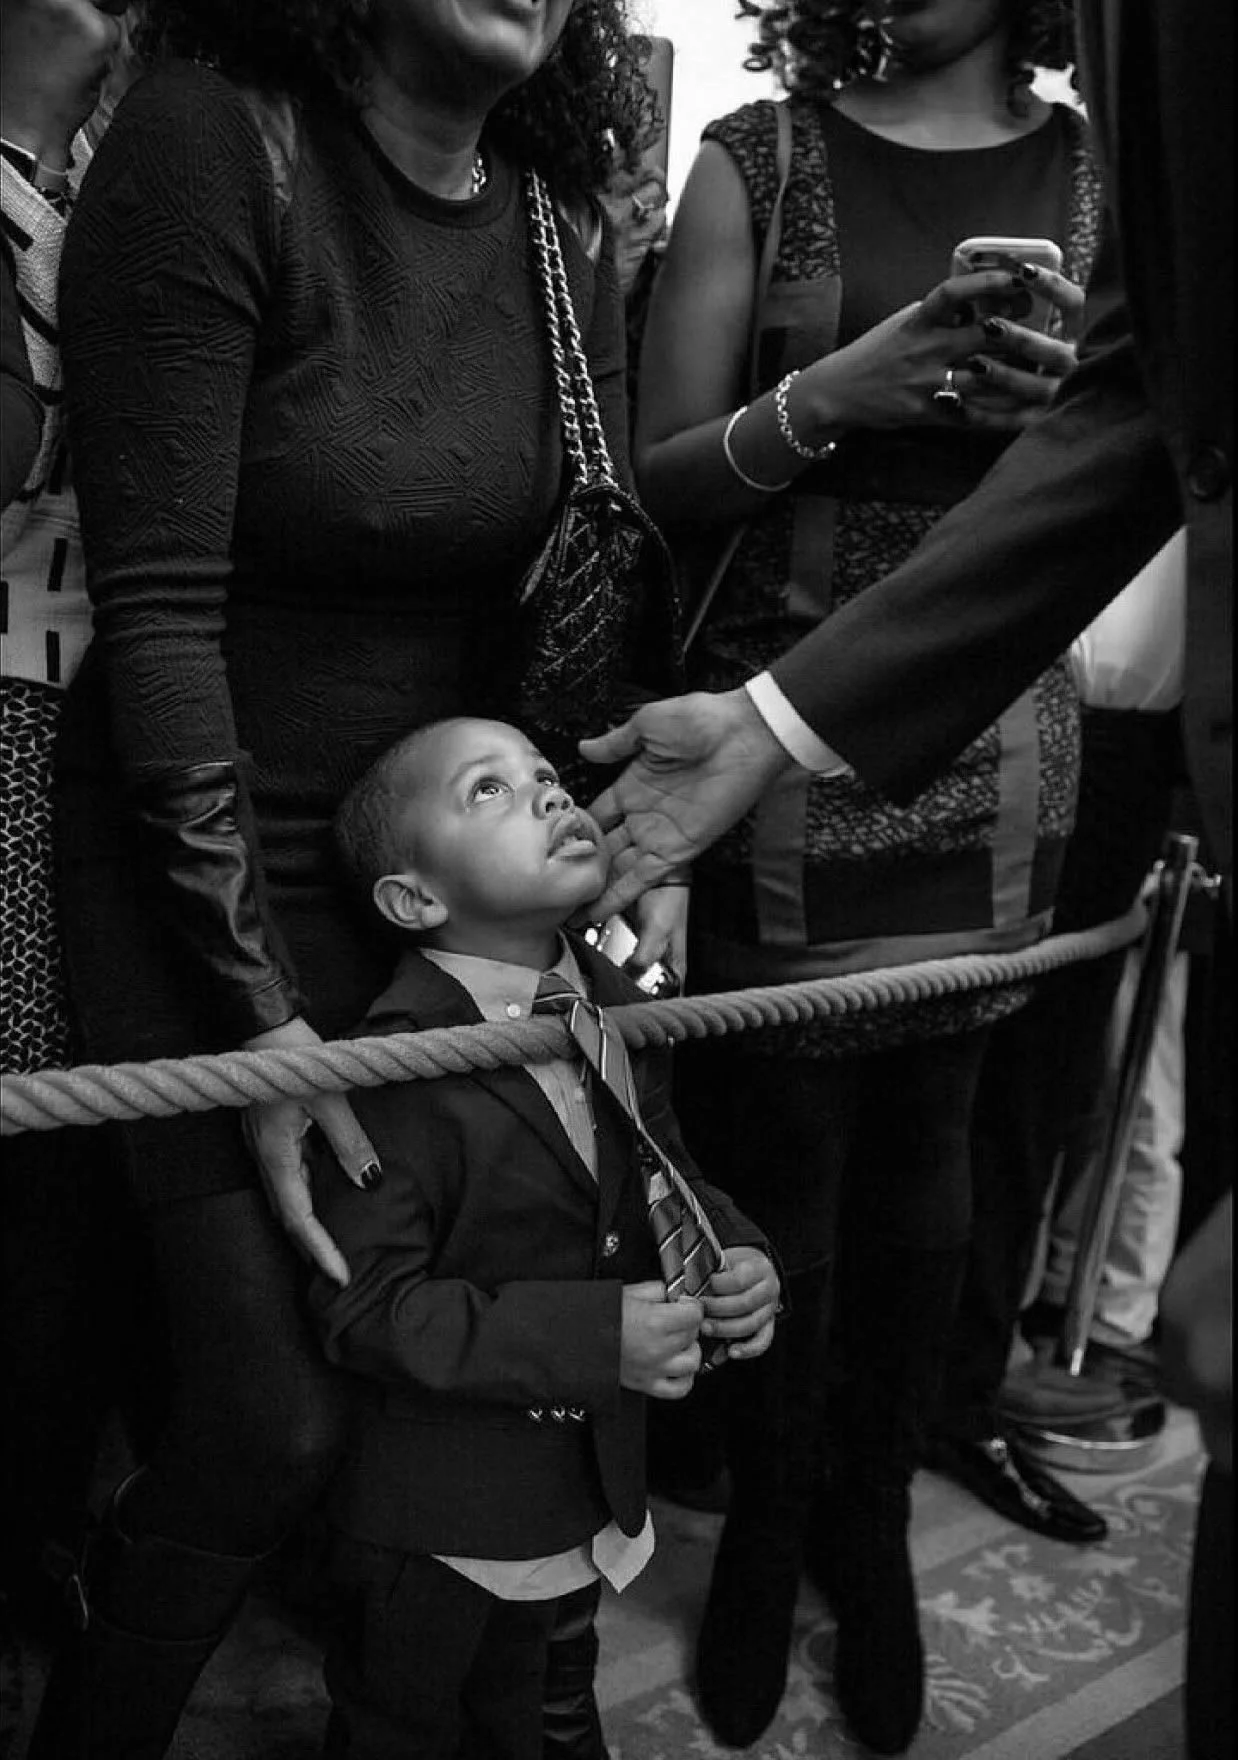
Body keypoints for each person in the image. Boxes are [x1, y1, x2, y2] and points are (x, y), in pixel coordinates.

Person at [582, 7, 1231, 1759]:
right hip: (775, 722)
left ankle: (865, 1533)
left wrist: (1060, 414)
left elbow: (1132, 448)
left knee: (937, 1166)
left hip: (997, 732)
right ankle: (763, 1531)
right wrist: (834, 395)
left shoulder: (1105, 167)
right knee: (784, 1171)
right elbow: (651, 481)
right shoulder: (760, 156)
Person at [34, 5, 672, 1756]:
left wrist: (597, 856)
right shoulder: (211, 137)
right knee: (275, 1414)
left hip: (433, 875)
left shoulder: (553, 220)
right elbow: (159, 617)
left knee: (436, 1350)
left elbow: (573, 590)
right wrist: (261, 1032)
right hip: (189, 863)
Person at [304, 715, 779, 1759]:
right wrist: (597, 1338)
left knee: (551, 1700)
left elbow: (665, 1169)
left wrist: (736, 1253)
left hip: (584, 1477)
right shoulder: (390, 1064)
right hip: (441, 1515)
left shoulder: (616, 1005)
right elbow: (367, 1308)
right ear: (415, 899)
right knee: (400, 1727)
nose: (551, 794)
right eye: (488, 789)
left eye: (546, 774)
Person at [928, 533, 1188, 1534]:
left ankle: (963, 1393)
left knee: (1041, 1104)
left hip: (1134, 751)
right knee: (930, 1088)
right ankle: (874, 1396)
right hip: (976, 695)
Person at [0, 0, 153, 1654]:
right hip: (8, 718)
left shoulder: (150, 151)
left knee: (82, 1183)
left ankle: (40, 1523)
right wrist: (20, 125)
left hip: (109, 722)